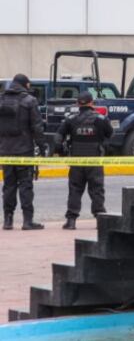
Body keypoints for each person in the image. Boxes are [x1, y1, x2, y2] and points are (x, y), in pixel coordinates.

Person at [56, 92, 112, 230]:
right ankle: (100, 220)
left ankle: (71, 221)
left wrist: (62, 153)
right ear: (92, 103)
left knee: (75, 190)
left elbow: (58, 138)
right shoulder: (101, 119)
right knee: (97, 190)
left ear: (77, 104)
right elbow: (110, 135)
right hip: (94, 161)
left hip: (77, 160)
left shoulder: (70, 120)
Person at [1, 74, 47, 230]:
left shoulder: (1, 100)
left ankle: (8, 220)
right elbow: (37, 127)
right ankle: (27, 221)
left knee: (8, 185)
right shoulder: (29, 101)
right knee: (26, 185)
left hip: (5, 152)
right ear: (24, 84)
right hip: (24, 151)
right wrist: (42, 147)